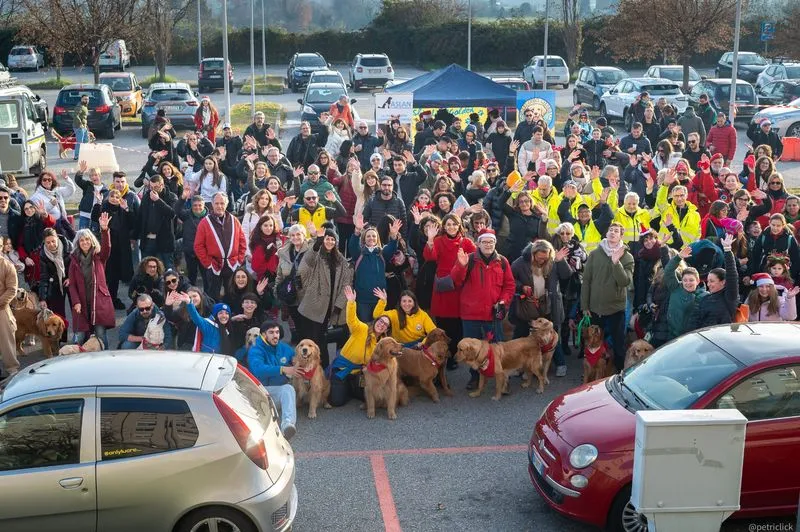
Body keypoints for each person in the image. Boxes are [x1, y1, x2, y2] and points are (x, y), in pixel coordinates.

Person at [451, 228, 515, 389]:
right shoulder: (469, 259)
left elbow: (509, 286)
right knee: (471, 350)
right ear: (478, 243)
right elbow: (456, 281)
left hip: (492, 315)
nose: (488, 245)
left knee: (498, 349)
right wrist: (461, 265)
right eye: (484, 242)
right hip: (470, 315)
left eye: (491, 242)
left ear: (495, 243)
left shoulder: (503, 261)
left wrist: (503, 301)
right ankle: (474, 377)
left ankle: (501, 379)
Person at [511, 240, 572, 375]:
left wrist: (561, 261)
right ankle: (517, 366)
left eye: (545, 259)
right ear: (533, 254)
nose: (542, 262)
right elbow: (510, 278)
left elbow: (566, 275)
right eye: (539, 258)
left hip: (549, 304)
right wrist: (521, 287)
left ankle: (560, 364)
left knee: (553, 334)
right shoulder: (521, 262)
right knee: (521, 334)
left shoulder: (553, 261)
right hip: (528, 304)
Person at [423, 213, 477, 366]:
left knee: (458, 324)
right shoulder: (439, 241)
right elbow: (430, 257)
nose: (451, 227)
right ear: (444, 227)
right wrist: (430, 239)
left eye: (454, 224)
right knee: (443, 323)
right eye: (448, 225)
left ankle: (456, 355)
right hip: (443, 284)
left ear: (459, 225)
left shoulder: (466, 242)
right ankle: (444, 355)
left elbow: (476, 257)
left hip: (459, 285)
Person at [580, 222, 634, 372]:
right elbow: (587, 281)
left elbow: (625, 282)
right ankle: (593, 372)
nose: (612, 232)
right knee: (594, 342)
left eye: (616, 231)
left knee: (618, 343)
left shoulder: (628, 257)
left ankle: (621, 372)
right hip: (595, 308)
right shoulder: (595, 254)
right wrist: (585, 306)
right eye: (610, 230)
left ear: (621, 236)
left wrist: (616, 262)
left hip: (616, 308)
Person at [297, 227, 352, 367]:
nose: (330, 241)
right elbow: (307, 263)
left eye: (333, 239)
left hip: (330, 308)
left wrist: (339, 306)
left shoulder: (342, 261)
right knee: (312, 341)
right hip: (313, 307)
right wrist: (318, 241)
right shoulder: (316, 256)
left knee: (322, 340)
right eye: (327, 238)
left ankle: (324, 371)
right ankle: (309, 369)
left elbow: (347, 284)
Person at [328, 286, 391, 406]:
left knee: (368, 398)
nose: (382, 325)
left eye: (385, 325)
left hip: (359, 373)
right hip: (342, 369)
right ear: (376, 321)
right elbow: (351, 320)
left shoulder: (382, 343)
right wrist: (351, 303)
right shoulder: (363, 329)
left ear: (386, 330)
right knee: (336, 402)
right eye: (381, 321)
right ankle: (344, 388)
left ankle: (351, 389)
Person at [68, 214, 114, 347]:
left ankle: (105, 358)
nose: (85, 242)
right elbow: (72, 284)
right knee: (80, 335)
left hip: (98, 301)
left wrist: (105, 230)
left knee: (100, 334)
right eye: (82, 240)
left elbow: (107, 248)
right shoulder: (74, 260)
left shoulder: (99, 257)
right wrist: (76, 301)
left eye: (87, 239)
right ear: (78, 243)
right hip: (81, 303)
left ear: (92, 241)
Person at [246, 321, 298, 440]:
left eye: (277, 332)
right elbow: (258, 369)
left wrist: (296, 361)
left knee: (288, 389)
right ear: (263, 335)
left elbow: (296, 356)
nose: (275, 335)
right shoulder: (255, 349)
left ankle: (287, 425)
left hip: (276, 393)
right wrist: (282, 369)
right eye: (271, 332)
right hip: (259, 392)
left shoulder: (283, 347)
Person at [194, 192, 247, 301]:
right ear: (212, 205)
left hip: (232, 264)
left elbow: (242, 242)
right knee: (213, 294)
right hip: (214, 265)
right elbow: (198, 246)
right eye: (217, 203)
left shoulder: (234, 220)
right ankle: (213, 316)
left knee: (232, 293)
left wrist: (239, 260)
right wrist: (208, 263)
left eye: (222, 203)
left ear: (226, 204)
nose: (219, 206)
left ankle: (231, 315)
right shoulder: (204, 222)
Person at [349, 216, 400, 321]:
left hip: (379, 299)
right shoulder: (360, 254)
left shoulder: (382, 253)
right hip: (363, 300)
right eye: (368, 236)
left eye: (373, 236)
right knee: (365, 328)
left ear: (377, 239)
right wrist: (357, 231)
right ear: (364, 239)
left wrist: (394, 236)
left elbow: (392, 247)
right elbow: (352, 246)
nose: (371, 238)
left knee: (379, 328)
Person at [92, 188, 136, 309]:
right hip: (107, 246)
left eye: (117, 197)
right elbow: (94, 217)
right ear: (108, 198)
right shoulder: (104, 207)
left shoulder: (123, 210)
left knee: (116, 276)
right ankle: (104, 298)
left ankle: (113, 298)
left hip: (121, 248)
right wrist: (98, 202)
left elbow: (133, 224)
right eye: (112, 196)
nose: (115, 199)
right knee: (107, 274)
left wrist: (127, 209)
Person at [688, 234, 738, 330]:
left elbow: (732, 275)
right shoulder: (704, 298)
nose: (708, 284)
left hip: (720, 339)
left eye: (712, 281)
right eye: (708, 281)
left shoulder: (729, 297)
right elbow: (695, 321)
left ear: (723, 282)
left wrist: (727, 250)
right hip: (703, 338)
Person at [275, 224, 309, 342]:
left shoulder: (311, 251)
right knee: (298, 326)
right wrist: (277, 292)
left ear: (304, 236)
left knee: (308, 328)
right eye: (292, 235)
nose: (295, 237)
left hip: (306, 297)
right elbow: (279, 275)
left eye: (298, 234)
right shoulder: (283, 253)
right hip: (291, 296)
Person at [38, 228, 72, 327]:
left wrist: (70, 278)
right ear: (44, 242)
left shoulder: (69, 247)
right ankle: (61, 337)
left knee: (77, 309)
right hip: (56, 283)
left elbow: (77, 267)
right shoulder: (43, 255)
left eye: (53, 241)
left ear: (57, 238)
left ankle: (80, 336)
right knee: (58, 313)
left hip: (71, 280)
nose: (51, 244)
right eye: (48, 242)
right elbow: (44, 276)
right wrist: (43, 298)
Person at [174, 193, 207, 286]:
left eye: (200, 205)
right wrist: (183, 198)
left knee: (207, 278)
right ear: (191, 206)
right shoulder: (186, 215)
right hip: (190, 252)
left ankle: (207, 298)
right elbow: (176, 210)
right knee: (191, 277)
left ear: (203, 205)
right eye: (195, 205)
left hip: (204, 253)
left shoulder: (209, 217)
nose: (198, 207)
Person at [0, 251, 18, 379]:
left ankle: (13, 373)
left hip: (2, 310)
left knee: (7, 345)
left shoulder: (7, 265)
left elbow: (12, 289)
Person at [72, 93, 89, 161]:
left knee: (86, 141)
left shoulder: (84, 106)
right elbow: (76, 116)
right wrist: (80, 124)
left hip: (84, 127)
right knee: (79, 142)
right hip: (79, 127)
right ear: (81, 99)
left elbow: (84, 117)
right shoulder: (79, 106)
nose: (86, 100)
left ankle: (84, 154)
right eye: (85, 99)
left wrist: (85, 125)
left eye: (87, 99)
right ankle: (77, 156)